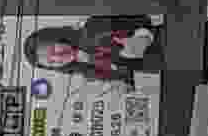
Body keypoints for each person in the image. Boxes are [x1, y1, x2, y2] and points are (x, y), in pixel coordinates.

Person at [21, 13, 162, 85]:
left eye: (53, 50)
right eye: (52, 63)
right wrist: (125, 83)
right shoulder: (88, 72)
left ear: (57, 37)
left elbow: (143, 20)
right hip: (163, 72)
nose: (58, 58)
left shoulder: (93, 27)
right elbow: (128, 76)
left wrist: (142, 38)